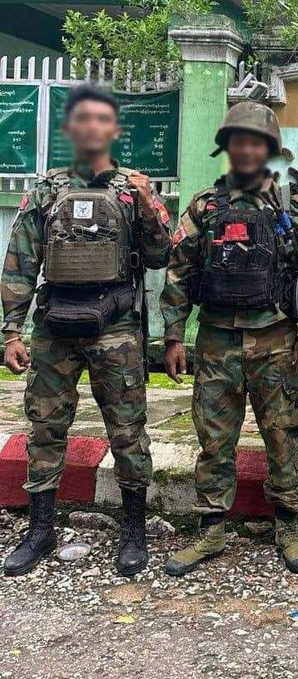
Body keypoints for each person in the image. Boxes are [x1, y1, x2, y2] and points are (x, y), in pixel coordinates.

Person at [2, 84, 171, 577]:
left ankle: (134, 532)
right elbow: (19, 264)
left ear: (113, 130)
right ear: (71, 130)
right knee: (45, 428)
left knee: (128, 430)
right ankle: (40, 530)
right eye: (82, 120)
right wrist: (12, 332)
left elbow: (161, 256)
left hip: (116, 329)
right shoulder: (47, 190)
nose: (91, 128)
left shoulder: (134, 187)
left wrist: (145, 203)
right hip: (55, 328)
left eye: (101, 120)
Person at [160, 100, 298, 576]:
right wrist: (174, 336)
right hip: (216, 340)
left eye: (255, 142)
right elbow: (179, 270)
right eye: (239, 141)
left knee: (282, 435)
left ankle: (287, 526)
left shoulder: (289, 203)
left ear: (268, 148)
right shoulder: (204, 205)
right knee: (214, 438)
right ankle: (212, 528)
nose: (247, 149)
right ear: (228, 148)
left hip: (275, 339)